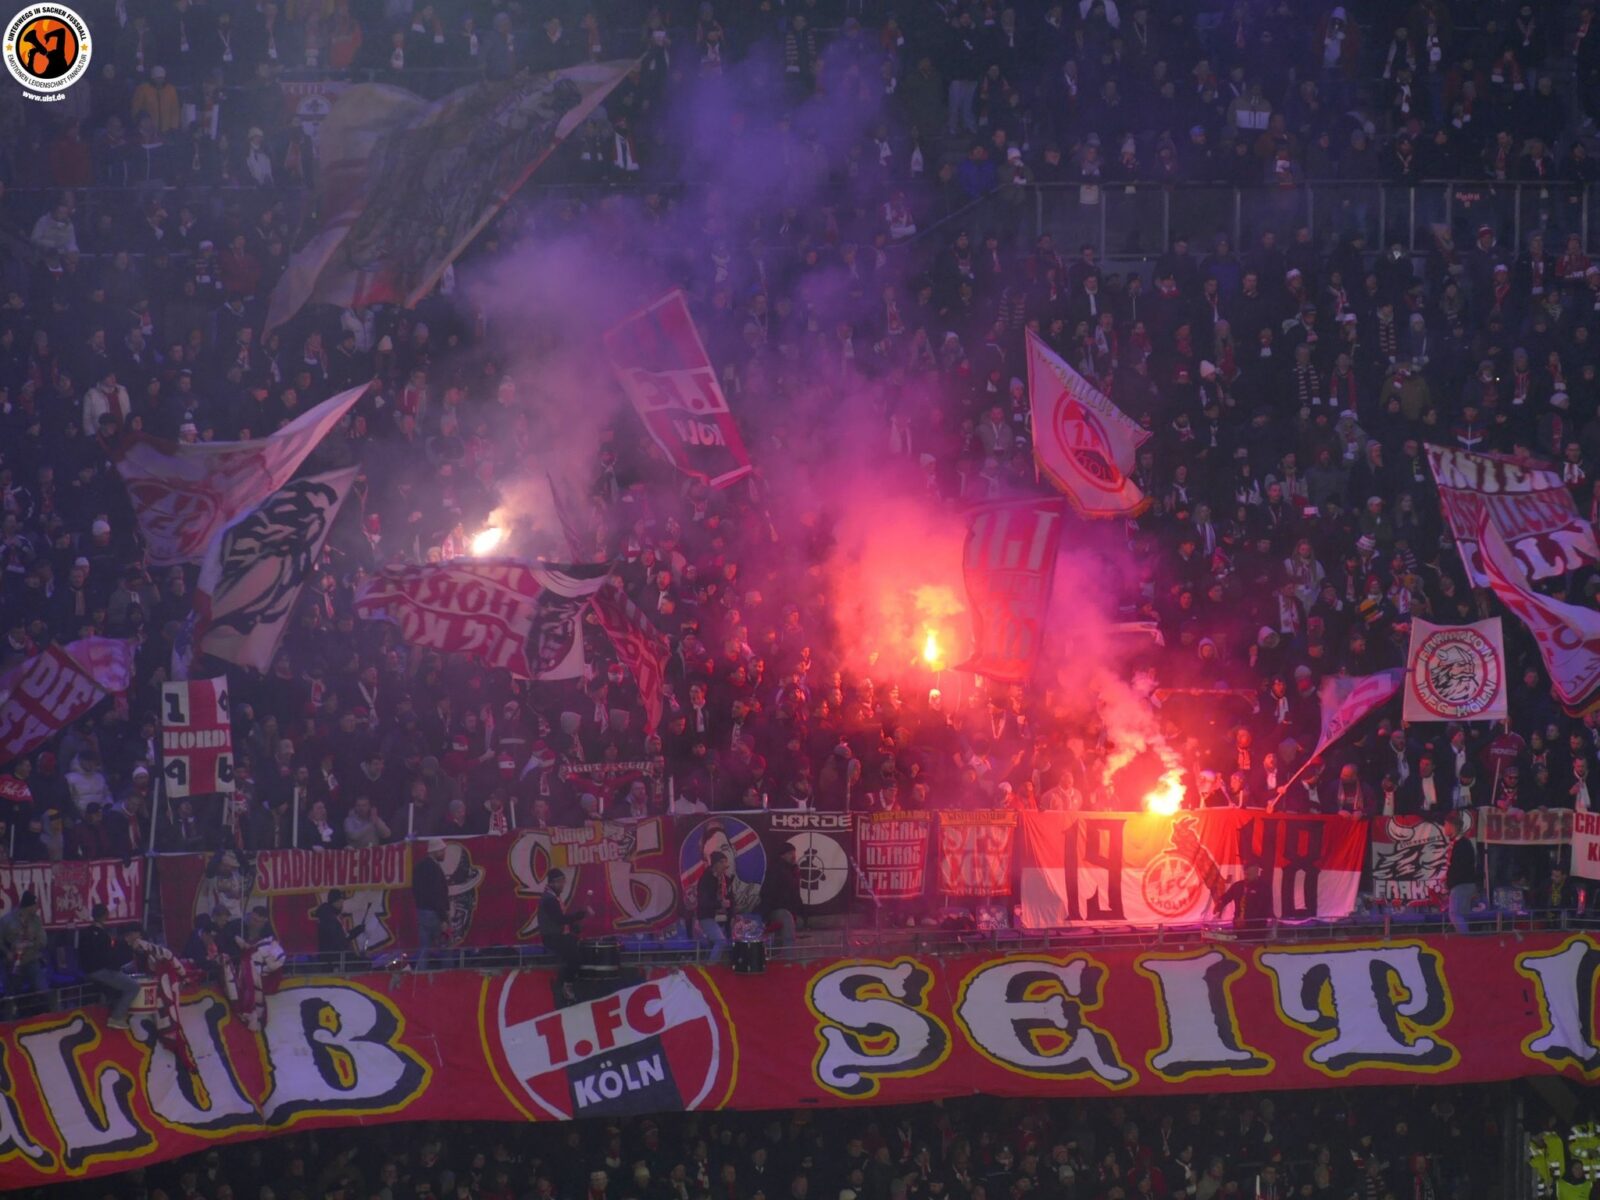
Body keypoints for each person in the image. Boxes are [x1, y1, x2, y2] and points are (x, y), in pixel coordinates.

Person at [80, 903, 139, 1029]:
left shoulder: (84, 932)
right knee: (133, 986)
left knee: (120, 980)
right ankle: (116, 1017)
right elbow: (108, 959)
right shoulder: (103, 936)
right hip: (100, 971)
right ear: (105, 916)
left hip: (88, 970)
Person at [536, 868, 587, 1000]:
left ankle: (568, 979)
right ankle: (567, 985)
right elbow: (559, 919)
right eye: (561, 882)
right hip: (552, 937)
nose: (563, 885)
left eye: (563, 882)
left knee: (577, 947)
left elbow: (560, 919)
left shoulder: (552, 898)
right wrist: (578, 916)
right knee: (575, 958)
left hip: (557, 935)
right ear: (553, 883)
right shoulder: (549, 900)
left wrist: (573, 926)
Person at [0, 890, 48, 999]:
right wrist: (7, 952)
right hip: (13, 963)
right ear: (29, 906)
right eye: (35, 905)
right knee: (12, 994)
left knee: (42, 988)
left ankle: (48, 1014)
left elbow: (43, 941)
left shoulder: (36, 921)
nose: (37, 908)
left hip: (31, 959)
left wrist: (29, 944)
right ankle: (12, 1014)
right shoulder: (7, 920)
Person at [413, 839, 449, 970]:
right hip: (434, 913)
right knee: (445, 945)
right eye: (442, 851)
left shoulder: (419, 866)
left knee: (424, 948)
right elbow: (437, 894)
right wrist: (444, 918)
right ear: (436, 851)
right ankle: (447, 975)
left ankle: (420, 974)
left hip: (420, 911)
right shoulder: (434, 869)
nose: (444, 853)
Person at [760, 842, 803, 949]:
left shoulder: (792, 871)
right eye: (790, 853)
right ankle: (788, 959)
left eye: (794, 853)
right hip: (776, 909)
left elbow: (794, 894)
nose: (793, 856)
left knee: (797, 922)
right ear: (782, 855)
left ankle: (779, 953)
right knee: (786, 918)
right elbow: (768, 892)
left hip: (787, 909)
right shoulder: (775, 869)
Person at [1443, 813, 1478, 933]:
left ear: (1452, 827)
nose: (1444, 828)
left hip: (1461, 885)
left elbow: (1460, 867)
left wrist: (1451, 881)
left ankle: (1465, 940)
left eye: (1446, 825)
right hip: (1462, 884)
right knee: (1460, 914)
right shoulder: (1460, 843)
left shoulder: (1462, 844)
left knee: (1455, 914)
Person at [696, 851, 734, 963]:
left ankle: (710, 966)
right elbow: (703, 902)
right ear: (715, 864)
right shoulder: (706, 879)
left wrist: (732, 915)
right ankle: (711, 967)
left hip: (724, 918)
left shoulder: (726, 880)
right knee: (720, 941)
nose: (725, 865)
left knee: (715, 944)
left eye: (725, 862)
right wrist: (719, 904)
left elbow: (731, 899)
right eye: (722, 862)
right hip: (707, 917)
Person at [1212, 863, 1273, 932]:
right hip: (1238, 926)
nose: (1246, 877)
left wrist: (1246, 920)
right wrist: (1221, 903)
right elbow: (1227, 896)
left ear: (1256, 874)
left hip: (1256, 927)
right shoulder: (1238, 886)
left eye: (1249, 875)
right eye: (1245, 874)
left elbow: (1263, 908)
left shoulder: (1264, 888)